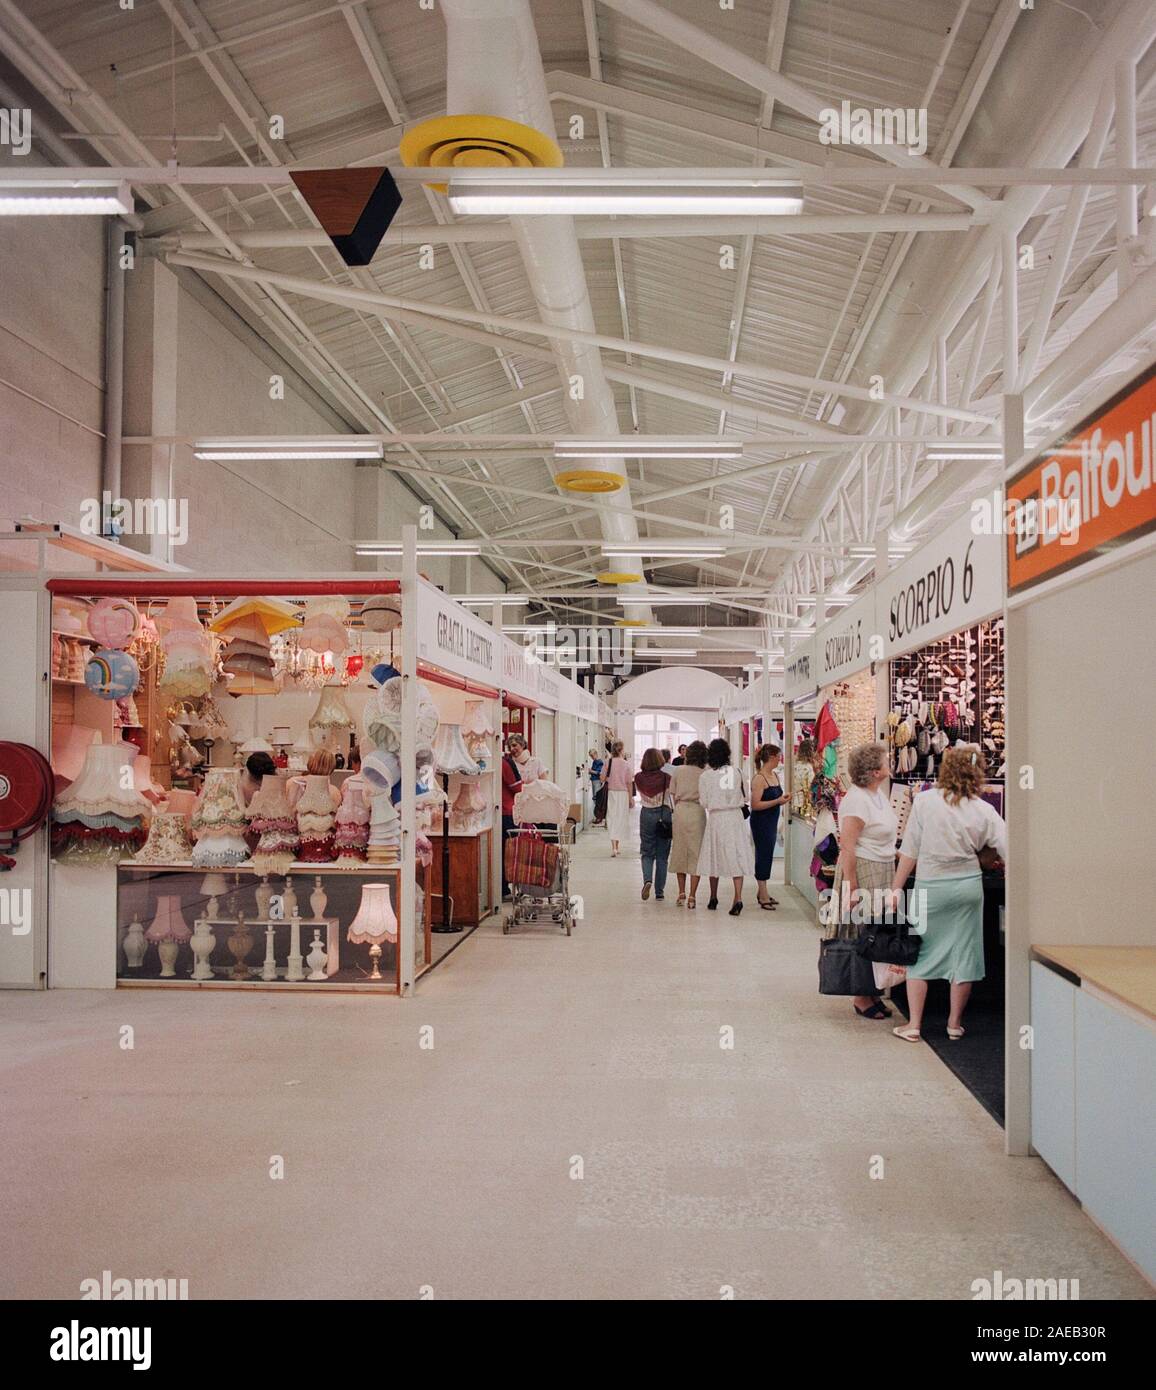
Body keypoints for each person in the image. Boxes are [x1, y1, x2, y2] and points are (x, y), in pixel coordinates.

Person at [888, 746, 1007, 1043]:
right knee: (964, 955)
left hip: (931, 886)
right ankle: (954, 1024)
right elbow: (1009, 849)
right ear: (977, 771)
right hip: (968, 886)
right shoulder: (984, 810)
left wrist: (895, 889)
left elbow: (910, 850)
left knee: (920, 955)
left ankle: (914, 1024)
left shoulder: (925, 801)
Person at [837, 743, 898, 1020]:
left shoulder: (878, 795)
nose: (890, 762)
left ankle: (873, 990)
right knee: (864, 932)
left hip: (883, 868)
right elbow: (848, 846)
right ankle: (860, 995)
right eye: (886, 760)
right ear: (874, 771)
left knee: (878, 932)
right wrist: (851, 886)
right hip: (864, 869)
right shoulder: (857, 799)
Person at [696, 738, 755, 914]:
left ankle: (713, 897)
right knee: (736, 855)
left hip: (716, 818)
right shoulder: (737, 772)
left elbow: (704, 801)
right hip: (735, 818)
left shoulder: (705, 776)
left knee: (714, 856)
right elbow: (746, 798)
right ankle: (738, 898)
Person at [668, 739, 707, 907]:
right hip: (698, 812)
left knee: (680, 850)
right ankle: (692, 896)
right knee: (696, 853)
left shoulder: (678, 770)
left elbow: (672, 793)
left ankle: (681, 892)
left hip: (681, 810)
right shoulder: (704, 773)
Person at [750, 744, 789, 911]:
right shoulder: (759, 778)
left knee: (768, 855)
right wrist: (777, 801)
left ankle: (762, 891)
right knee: (763, 855)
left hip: (772, 821)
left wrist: (783, 799)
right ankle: (763, 893)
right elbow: (755, 805)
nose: (780, 759)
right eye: (778, 756)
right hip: (761, 822)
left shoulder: (774, 776)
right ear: (771, 757)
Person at [633, 748, 672, 900]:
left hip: (646, 814)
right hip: (664, 813)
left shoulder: (639, 778)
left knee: (647, 851)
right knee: (662, 856)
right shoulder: (666, 777)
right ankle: (659, 892)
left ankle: (647, 879)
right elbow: (672, 795)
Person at [500, 735, 529, 898]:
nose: (513, 748)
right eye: (511, 745)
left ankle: (504, 887)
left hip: (503, 811)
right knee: (508, 851)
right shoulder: (505, 763)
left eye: (516, 745)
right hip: (507, 812)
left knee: (504, 851)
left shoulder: (504, 762)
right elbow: (516, 787)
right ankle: (505, 888)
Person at [601, 740, 633, 856]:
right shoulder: (626, 764)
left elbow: (602, 778)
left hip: (612, 793)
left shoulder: (607, 762)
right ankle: (617, 846)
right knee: (620, 819)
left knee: (612, 818)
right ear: (622, 750)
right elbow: (629, 782)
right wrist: (631, 798)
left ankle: (614, 847)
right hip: (623, 794)